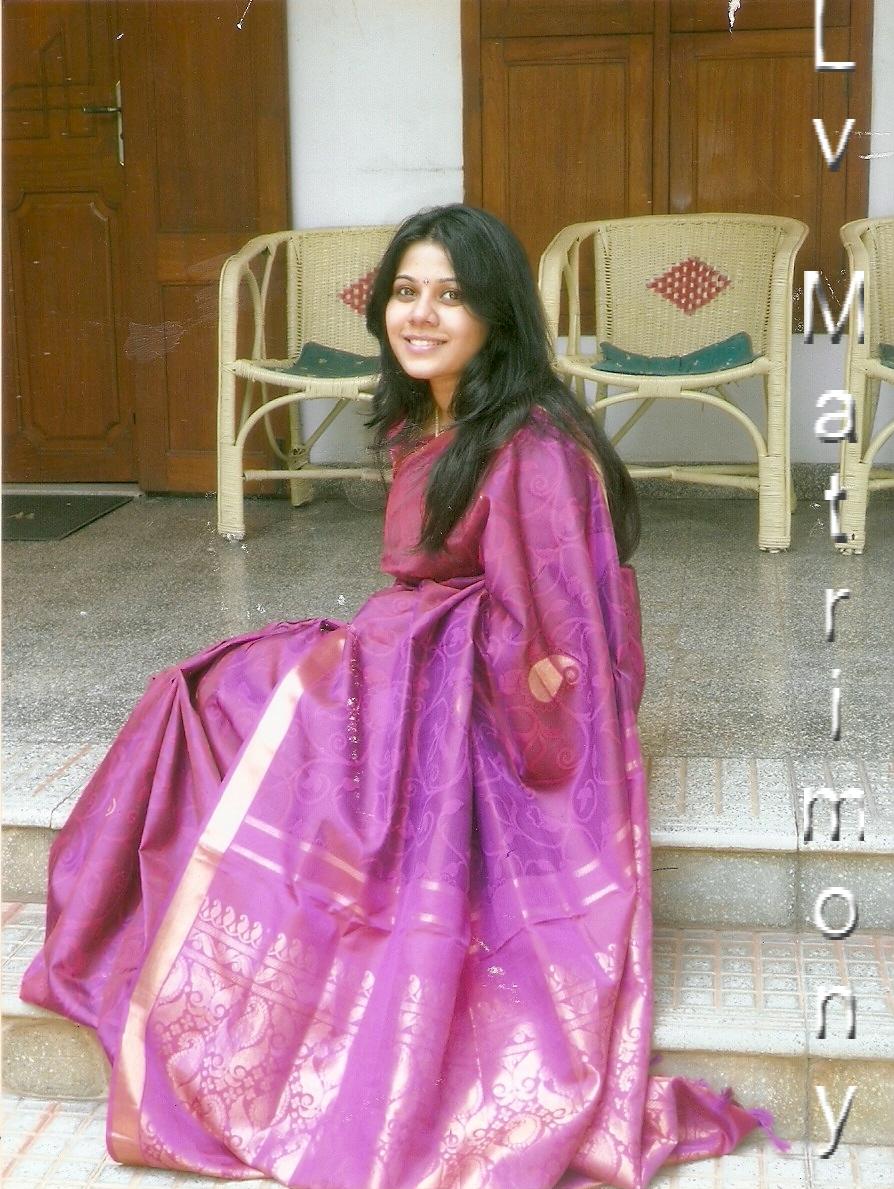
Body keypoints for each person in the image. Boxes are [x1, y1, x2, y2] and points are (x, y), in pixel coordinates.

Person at [22, 205, 777, 1189]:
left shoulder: (534, 447)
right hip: (402, 666)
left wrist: (412, 662)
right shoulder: (436, 416)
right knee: (201, 696)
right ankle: (172, 941)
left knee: (234, 706)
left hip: (467, 705)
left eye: (450, 296)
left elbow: (567, 647)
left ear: (497, 314)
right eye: (406, 293)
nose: (421, 314)